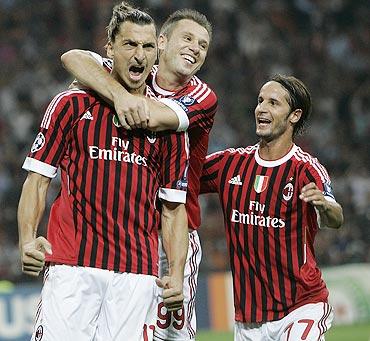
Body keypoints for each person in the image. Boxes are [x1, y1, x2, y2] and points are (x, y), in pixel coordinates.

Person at [17, 3, 189, 341]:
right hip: (72, 267)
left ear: (157, 51)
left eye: (148, 46)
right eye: (130, 44)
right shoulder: (72, 104)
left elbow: (173, 209)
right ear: (109, 48)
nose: (139, 55)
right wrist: (26, 239)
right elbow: (37, 181)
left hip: (138, 275)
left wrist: (176, 273)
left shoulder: (168, 124)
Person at [61, 8, 217, 341]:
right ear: (161, 42)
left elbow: (150, 116)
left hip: (173, 232)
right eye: (187, 38)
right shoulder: (136, 72)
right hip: (129, 234)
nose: (195, 48)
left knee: (170, 336)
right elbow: (73, 57)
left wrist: (110, 90)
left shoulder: (201, 97)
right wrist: (118, 92)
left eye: (203, 45)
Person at [200, 74, 344, 341]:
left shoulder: (306, 169)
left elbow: (336, 217)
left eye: (273, 103)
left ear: (294, 115)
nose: (262, 108)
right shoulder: (231, 164)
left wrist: (323, 204)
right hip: (249, 319)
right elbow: (179, 177)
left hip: (301, 307)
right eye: (260, 100)